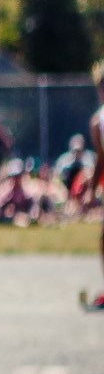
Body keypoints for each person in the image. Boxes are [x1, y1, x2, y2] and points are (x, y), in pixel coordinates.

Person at [85, 64, 104, 311]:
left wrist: (91, 190)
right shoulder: (99, 120)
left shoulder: (98, 120)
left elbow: (101, 158)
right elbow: (101, 158)